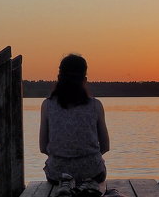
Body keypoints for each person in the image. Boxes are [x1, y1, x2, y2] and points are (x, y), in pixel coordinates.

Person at [39, 54, 110, 187]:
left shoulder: (47, 105)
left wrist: (65, 156)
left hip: (57, 175)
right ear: (85, 79)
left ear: (59, 78)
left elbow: (43, 147)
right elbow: (105, 146)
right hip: (93, 173)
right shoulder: (96, 105)